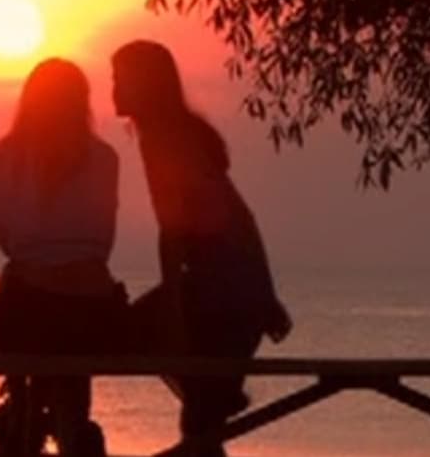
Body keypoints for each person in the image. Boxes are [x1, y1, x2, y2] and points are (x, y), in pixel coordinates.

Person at [111, 40, 293, 457]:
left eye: (120, 80)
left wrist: (173, 303)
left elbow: (175, 228)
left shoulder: (166, 139)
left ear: (144, 85)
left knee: (197, 420)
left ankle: (216, 391)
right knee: (201, 423)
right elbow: (237, 216)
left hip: (224, 292)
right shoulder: (171, 133)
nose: (113, 90)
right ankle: (216, 391)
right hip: (228, 287)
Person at [0, 58, 123, 457]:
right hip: (91, 318)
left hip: (27, 316)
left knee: (16, 279)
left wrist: (40, 257)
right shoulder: (105, 158)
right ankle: (71, 427)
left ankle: (23, 413)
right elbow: (104, 243)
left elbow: (6, 240)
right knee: (73, 351)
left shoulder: (8, 155)